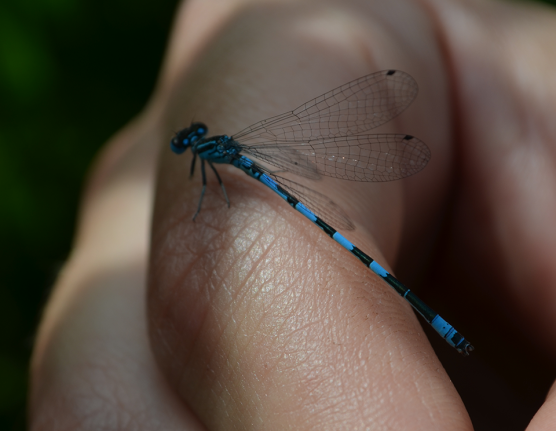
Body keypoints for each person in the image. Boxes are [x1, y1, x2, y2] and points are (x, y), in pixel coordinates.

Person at [29, 0, 556, 429]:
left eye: (191, 140)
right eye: (189, 140)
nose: (189, 143)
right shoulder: (215, 154)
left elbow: (212, 189)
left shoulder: (212, 159)